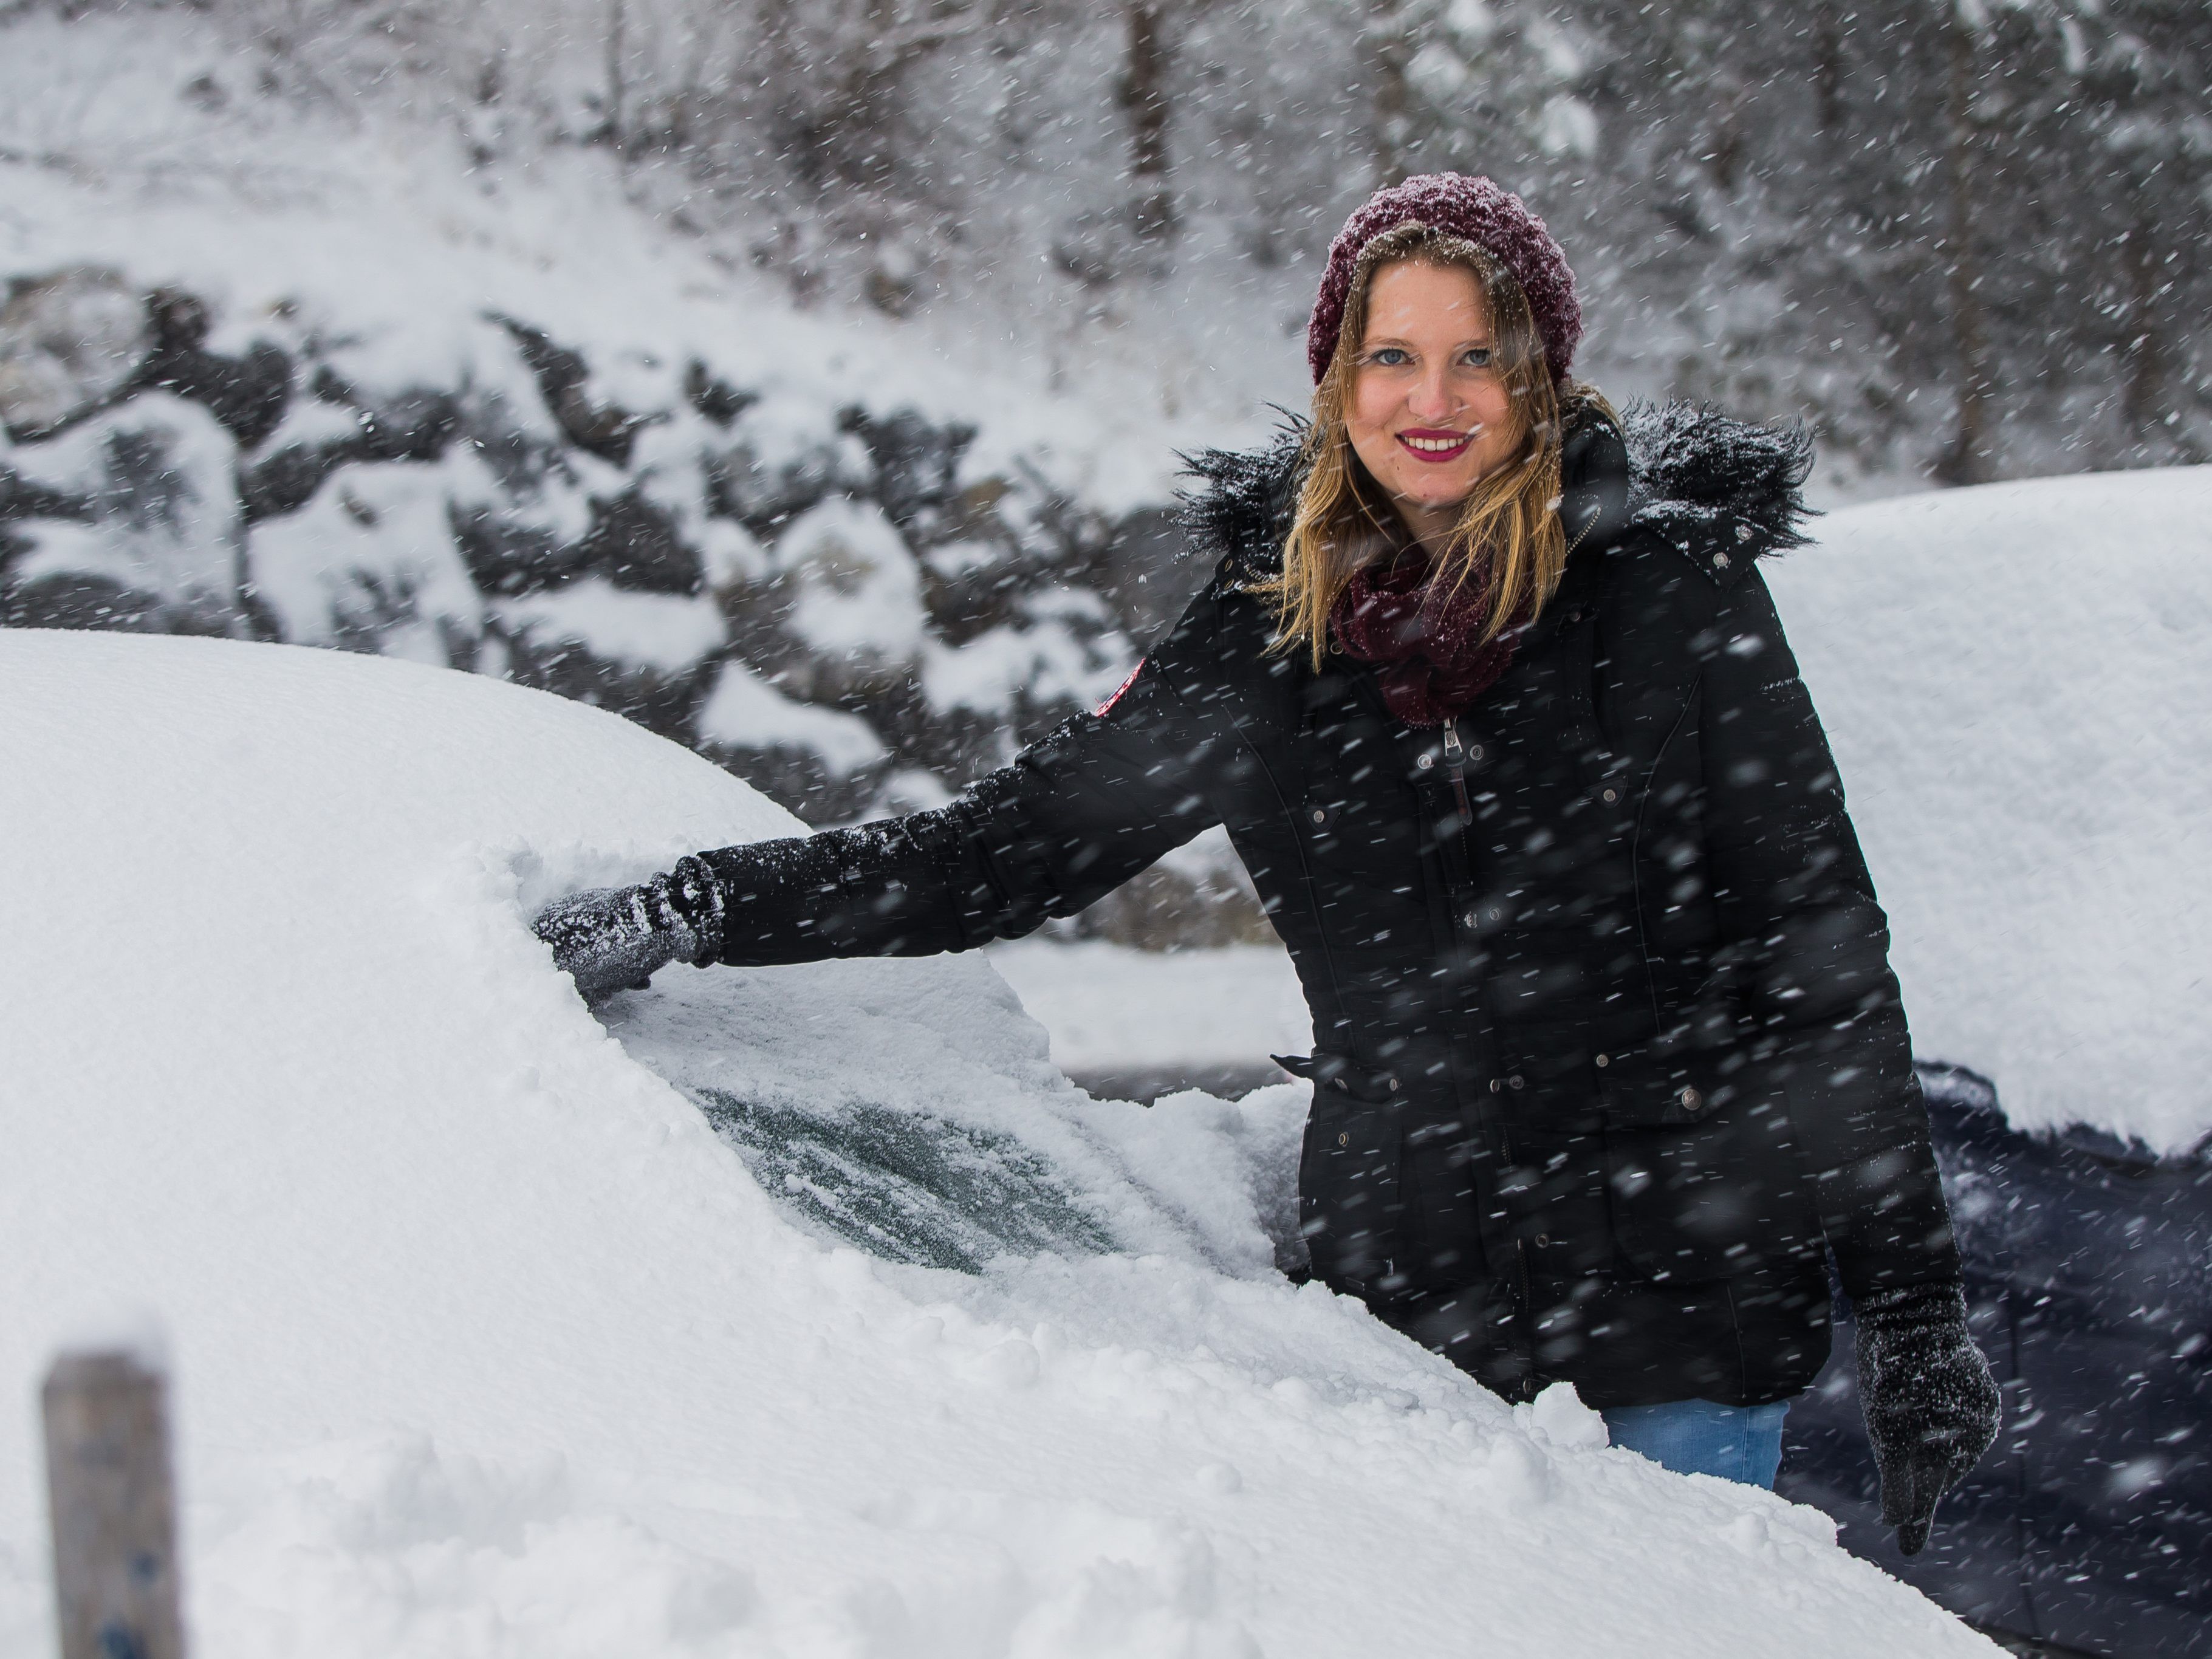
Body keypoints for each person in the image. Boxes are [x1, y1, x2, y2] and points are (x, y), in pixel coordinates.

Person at [534, 174, 1998, 1548]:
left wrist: (1915, 1309)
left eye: (1479, 358)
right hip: (1415, 1327)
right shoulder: (1267, 639)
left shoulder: (1671, 593)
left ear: (1540, 376)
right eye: (1392, 358)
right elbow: (1000, 854)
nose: (1433, 401)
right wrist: (703, 906)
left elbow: (1819, 952)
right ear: (1336, 379)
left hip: (1691, 1307)